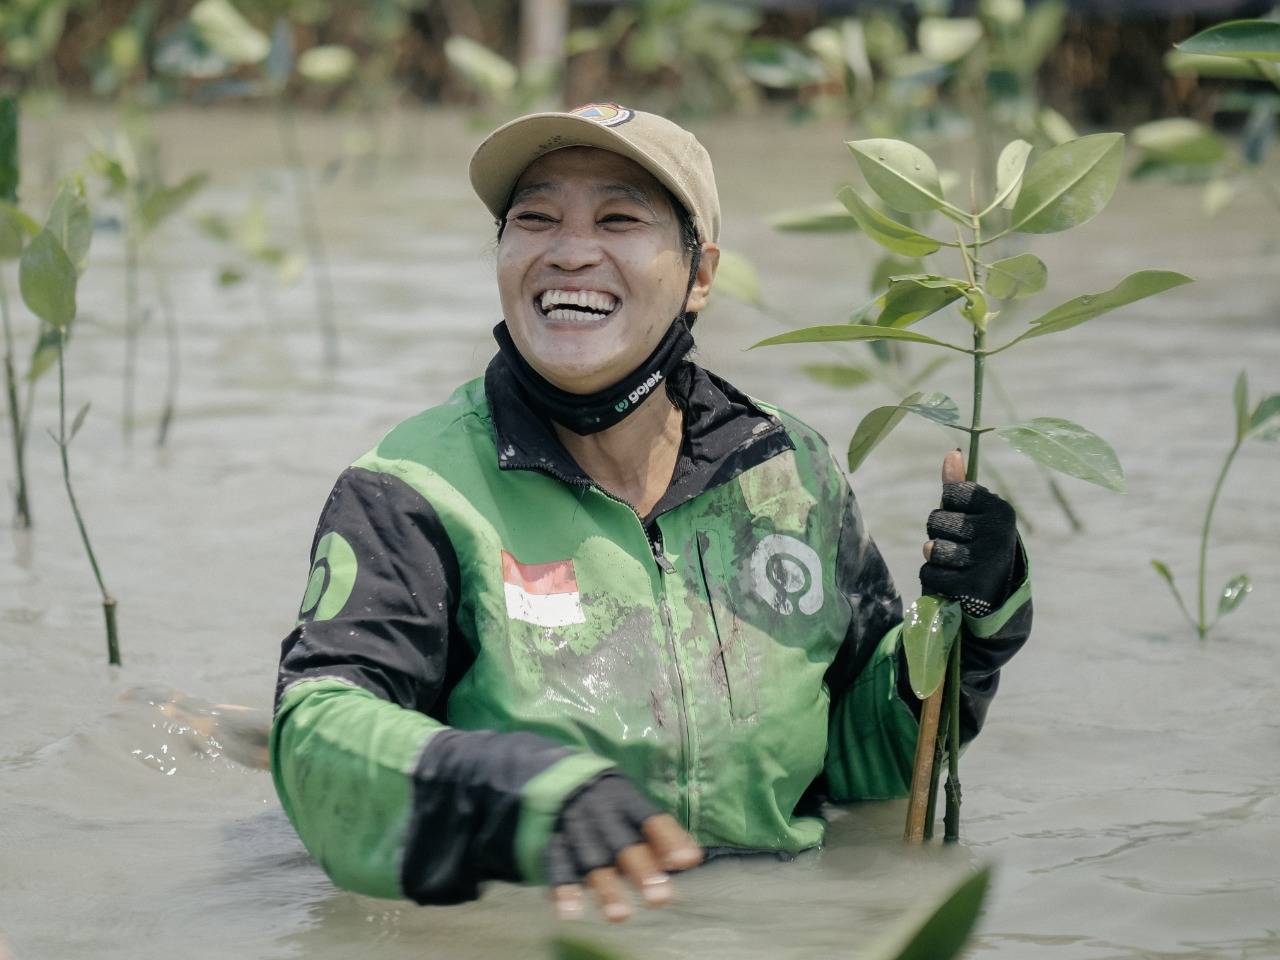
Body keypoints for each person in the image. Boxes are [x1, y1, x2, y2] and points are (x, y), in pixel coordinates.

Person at [269, 102, 1031, 923]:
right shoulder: (411, 489)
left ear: (701, 273)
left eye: (619, 218)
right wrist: (530, 795)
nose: (570, 250)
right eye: (535, 218)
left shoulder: (788, 471)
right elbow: (316, 737)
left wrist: (977, 619)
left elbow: (864, 761)